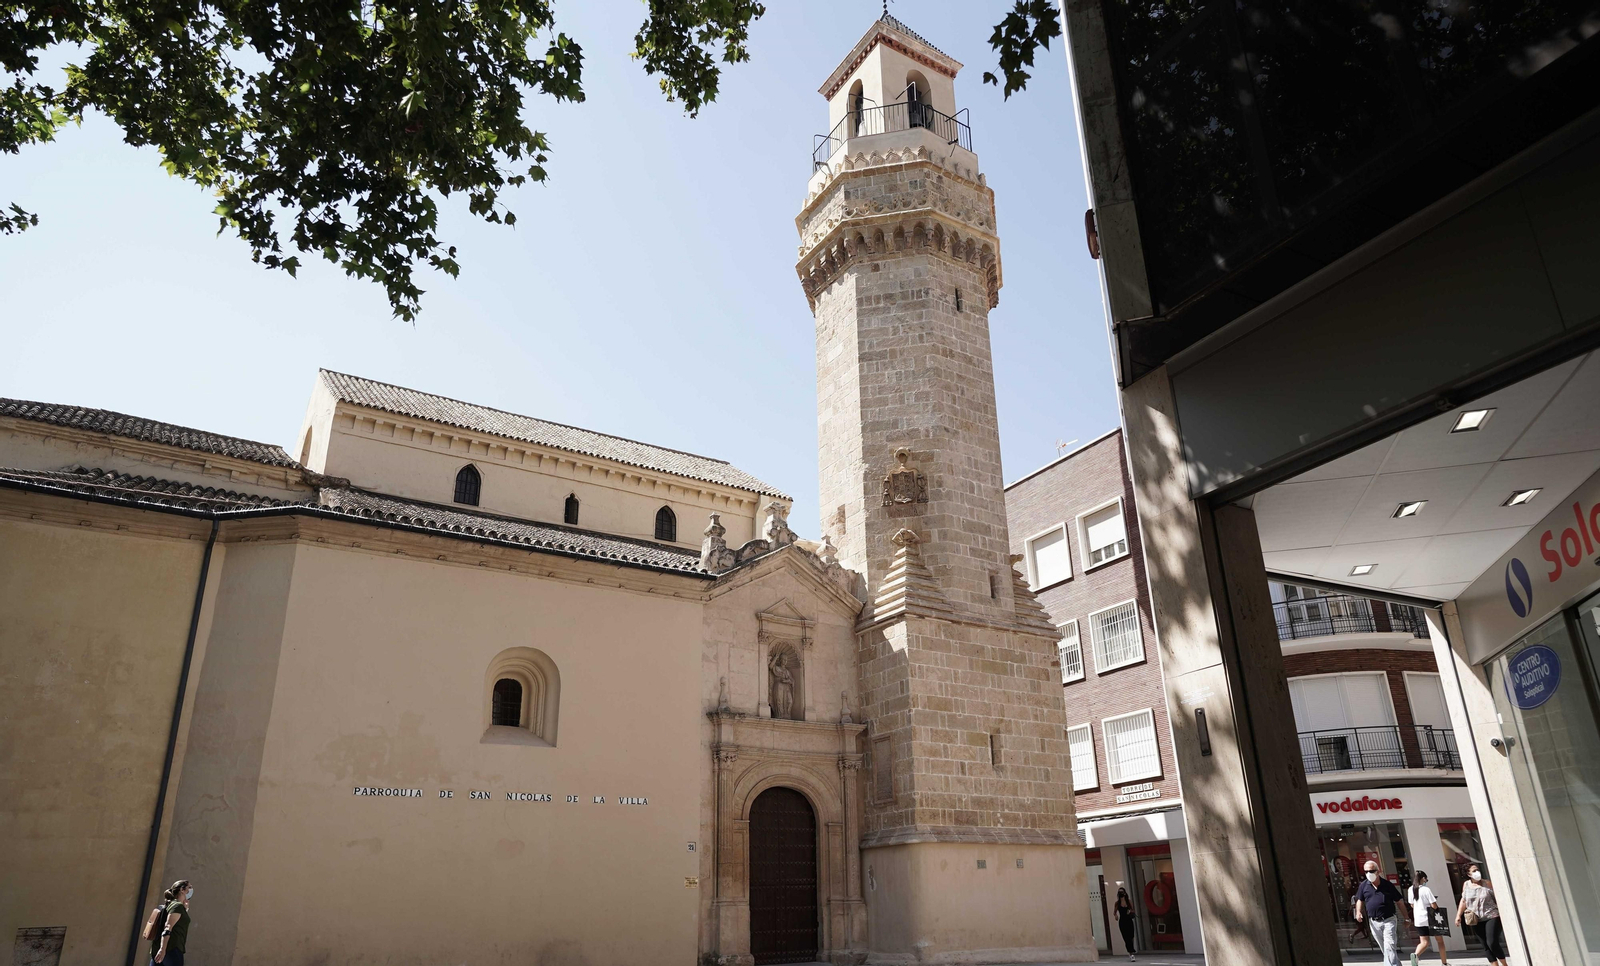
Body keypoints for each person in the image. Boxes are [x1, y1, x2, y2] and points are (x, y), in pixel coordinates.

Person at [1456, 863, 1509, 966]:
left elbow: (1498, 897)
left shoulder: (1487, 883)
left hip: (1491, 915)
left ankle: (1504, 964)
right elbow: (1464, 901)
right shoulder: (1466, 885)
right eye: (1474, 871)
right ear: (1468, 874)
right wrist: (1458, 915)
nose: (1477, 872)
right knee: (1485, 945)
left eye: (1477, 870)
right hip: (1476, 919)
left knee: (1492, 942)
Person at [1353, 860, 1404, 966]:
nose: (1368, 874)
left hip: (1389, 919)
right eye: (1366, 871)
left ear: (1378, 871)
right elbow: (1360, 900)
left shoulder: (1387, 885)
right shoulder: (1363, 886)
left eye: (1371, 871)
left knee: (1389, 945)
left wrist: (1407, 917)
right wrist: (1358, 912)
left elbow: (1399, 901)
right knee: (1385, 948)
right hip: (1374, 922)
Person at [1407, 870, 1448, 966]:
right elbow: (1434, 905)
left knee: (1424, 942)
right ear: (1423, 879)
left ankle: (1416, 955)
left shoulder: (1410, 889)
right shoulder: (1426, 890)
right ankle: (1444, 962)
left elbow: (1412, 904)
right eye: (1426, 879)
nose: (1426, 881)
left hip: (1419, 920)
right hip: (1430, 919)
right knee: (1440, 941)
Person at [149, 879, 192, 965]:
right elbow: (168, 927)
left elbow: (177, 922)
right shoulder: (177, 906)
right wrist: (162, 949)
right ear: (182, 890)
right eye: (189, 887)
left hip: (159, 948)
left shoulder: (172, 905)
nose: (191, 890)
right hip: (171, 948)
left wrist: (185, 909)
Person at [1113, 886, 1137, 961]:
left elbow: (1133, 910)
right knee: (1126, 938)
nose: (1121, 894)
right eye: (1119, 892)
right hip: (1122, 922)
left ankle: (1131, 950)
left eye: (1122, 892)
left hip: (1129, 921)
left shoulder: (1129, 901)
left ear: (1125, 893)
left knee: (1131, 936)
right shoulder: (1117, 903)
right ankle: (1131, 953)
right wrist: (1116, 916)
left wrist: (1130, 912)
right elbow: (1114, 912)